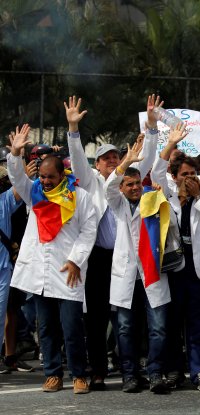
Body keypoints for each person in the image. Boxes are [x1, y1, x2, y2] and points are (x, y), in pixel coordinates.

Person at [66, 95, 159, 390]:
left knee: (131, 318)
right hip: (98, 258)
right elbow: (79, 158)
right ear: (98, 163)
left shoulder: (128, 180)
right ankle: (97, 370)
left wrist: (154, 129)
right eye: (105, 158)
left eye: (115, 157)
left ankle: (132, 367)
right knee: (96, 318)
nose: (111, 161)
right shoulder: (90, 180)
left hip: (131, 259)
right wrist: (72, 130)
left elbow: (151, 160)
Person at [6, 124, 97, 394]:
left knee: (71, 328)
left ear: (62, 174)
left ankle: (80, 375)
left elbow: (88, 230)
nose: (44, 182)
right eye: (42, 177)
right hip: (41, 272)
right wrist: (15, 154)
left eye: (50, 178)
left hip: (69, 270)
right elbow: (16, 179)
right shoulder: (34, 193)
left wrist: (76, 260)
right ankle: (53, 374)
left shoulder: (79, 196)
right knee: (45, 328)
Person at [151, 122, 200, 393]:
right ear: (175, 176)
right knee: (171, 323)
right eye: (185, 174)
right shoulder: (167, 195)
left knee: (198, 323)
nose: (190, 177)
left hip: (197, 270)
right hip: (173, 269)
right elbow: (158, 169)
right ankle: (173, 371)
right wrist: (170, 143)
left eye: (194, 173)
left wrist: (199, 198)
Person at [106, 140, 172, 394]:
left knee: (158, 327)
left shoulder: (153, 198)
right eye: (129, 185)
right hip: (126, 276)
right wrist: (125, 162)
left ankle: (155, 374)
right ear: (122, 188)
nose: (134, 188)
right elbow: (108, 187)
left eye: (137, 184)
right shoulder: (117, 203)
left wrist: (159, 194)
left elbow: (170, 221)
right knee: (124, 328)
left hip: (152, 273)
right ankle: (130, 375)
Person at [0, 165, 24, 371]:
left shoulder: (4, 201)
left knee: (1, 318)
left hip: (2, 270)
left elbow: (20, 187)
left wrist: (22, 168)